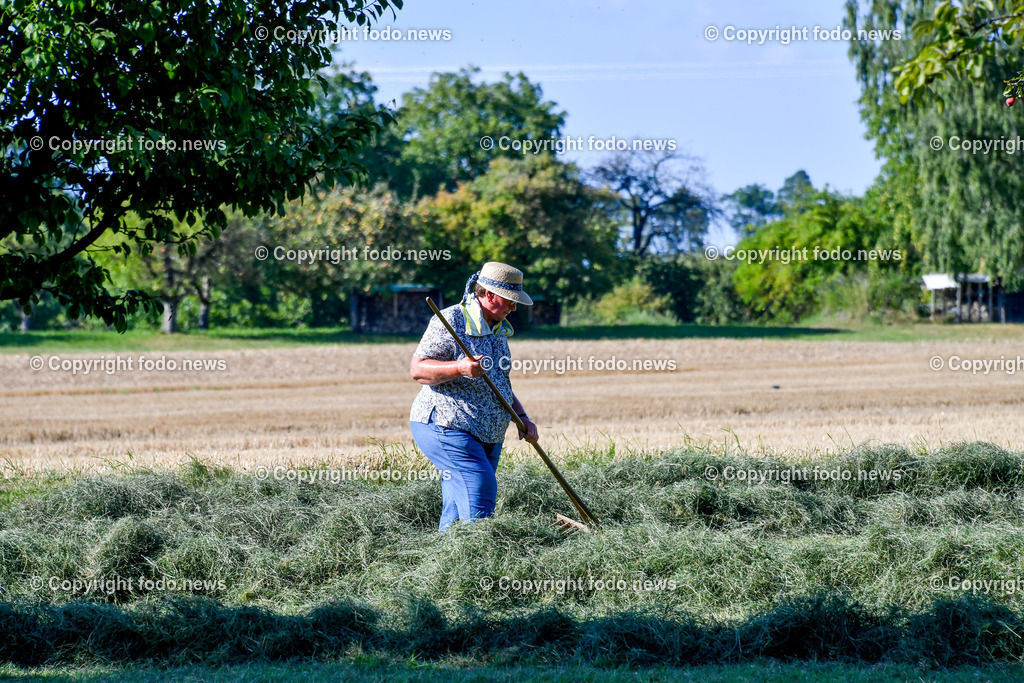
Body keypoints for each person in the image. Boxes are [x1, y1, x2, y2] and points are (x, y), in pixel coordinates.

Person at [409, 261, 539, 532]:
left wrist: (522, 418)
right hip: (447, 425)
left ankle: (446, 560)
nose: (514, 308)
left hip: (489, 433)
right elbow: (418, 369)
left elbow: (501, 383)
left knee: (459, 508)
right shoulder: (452, 319)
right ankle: (477, 557)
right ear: (489, 295)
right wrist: (460, 368)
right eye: (510, 301)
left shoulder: (499, 329)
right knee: (479, 490)